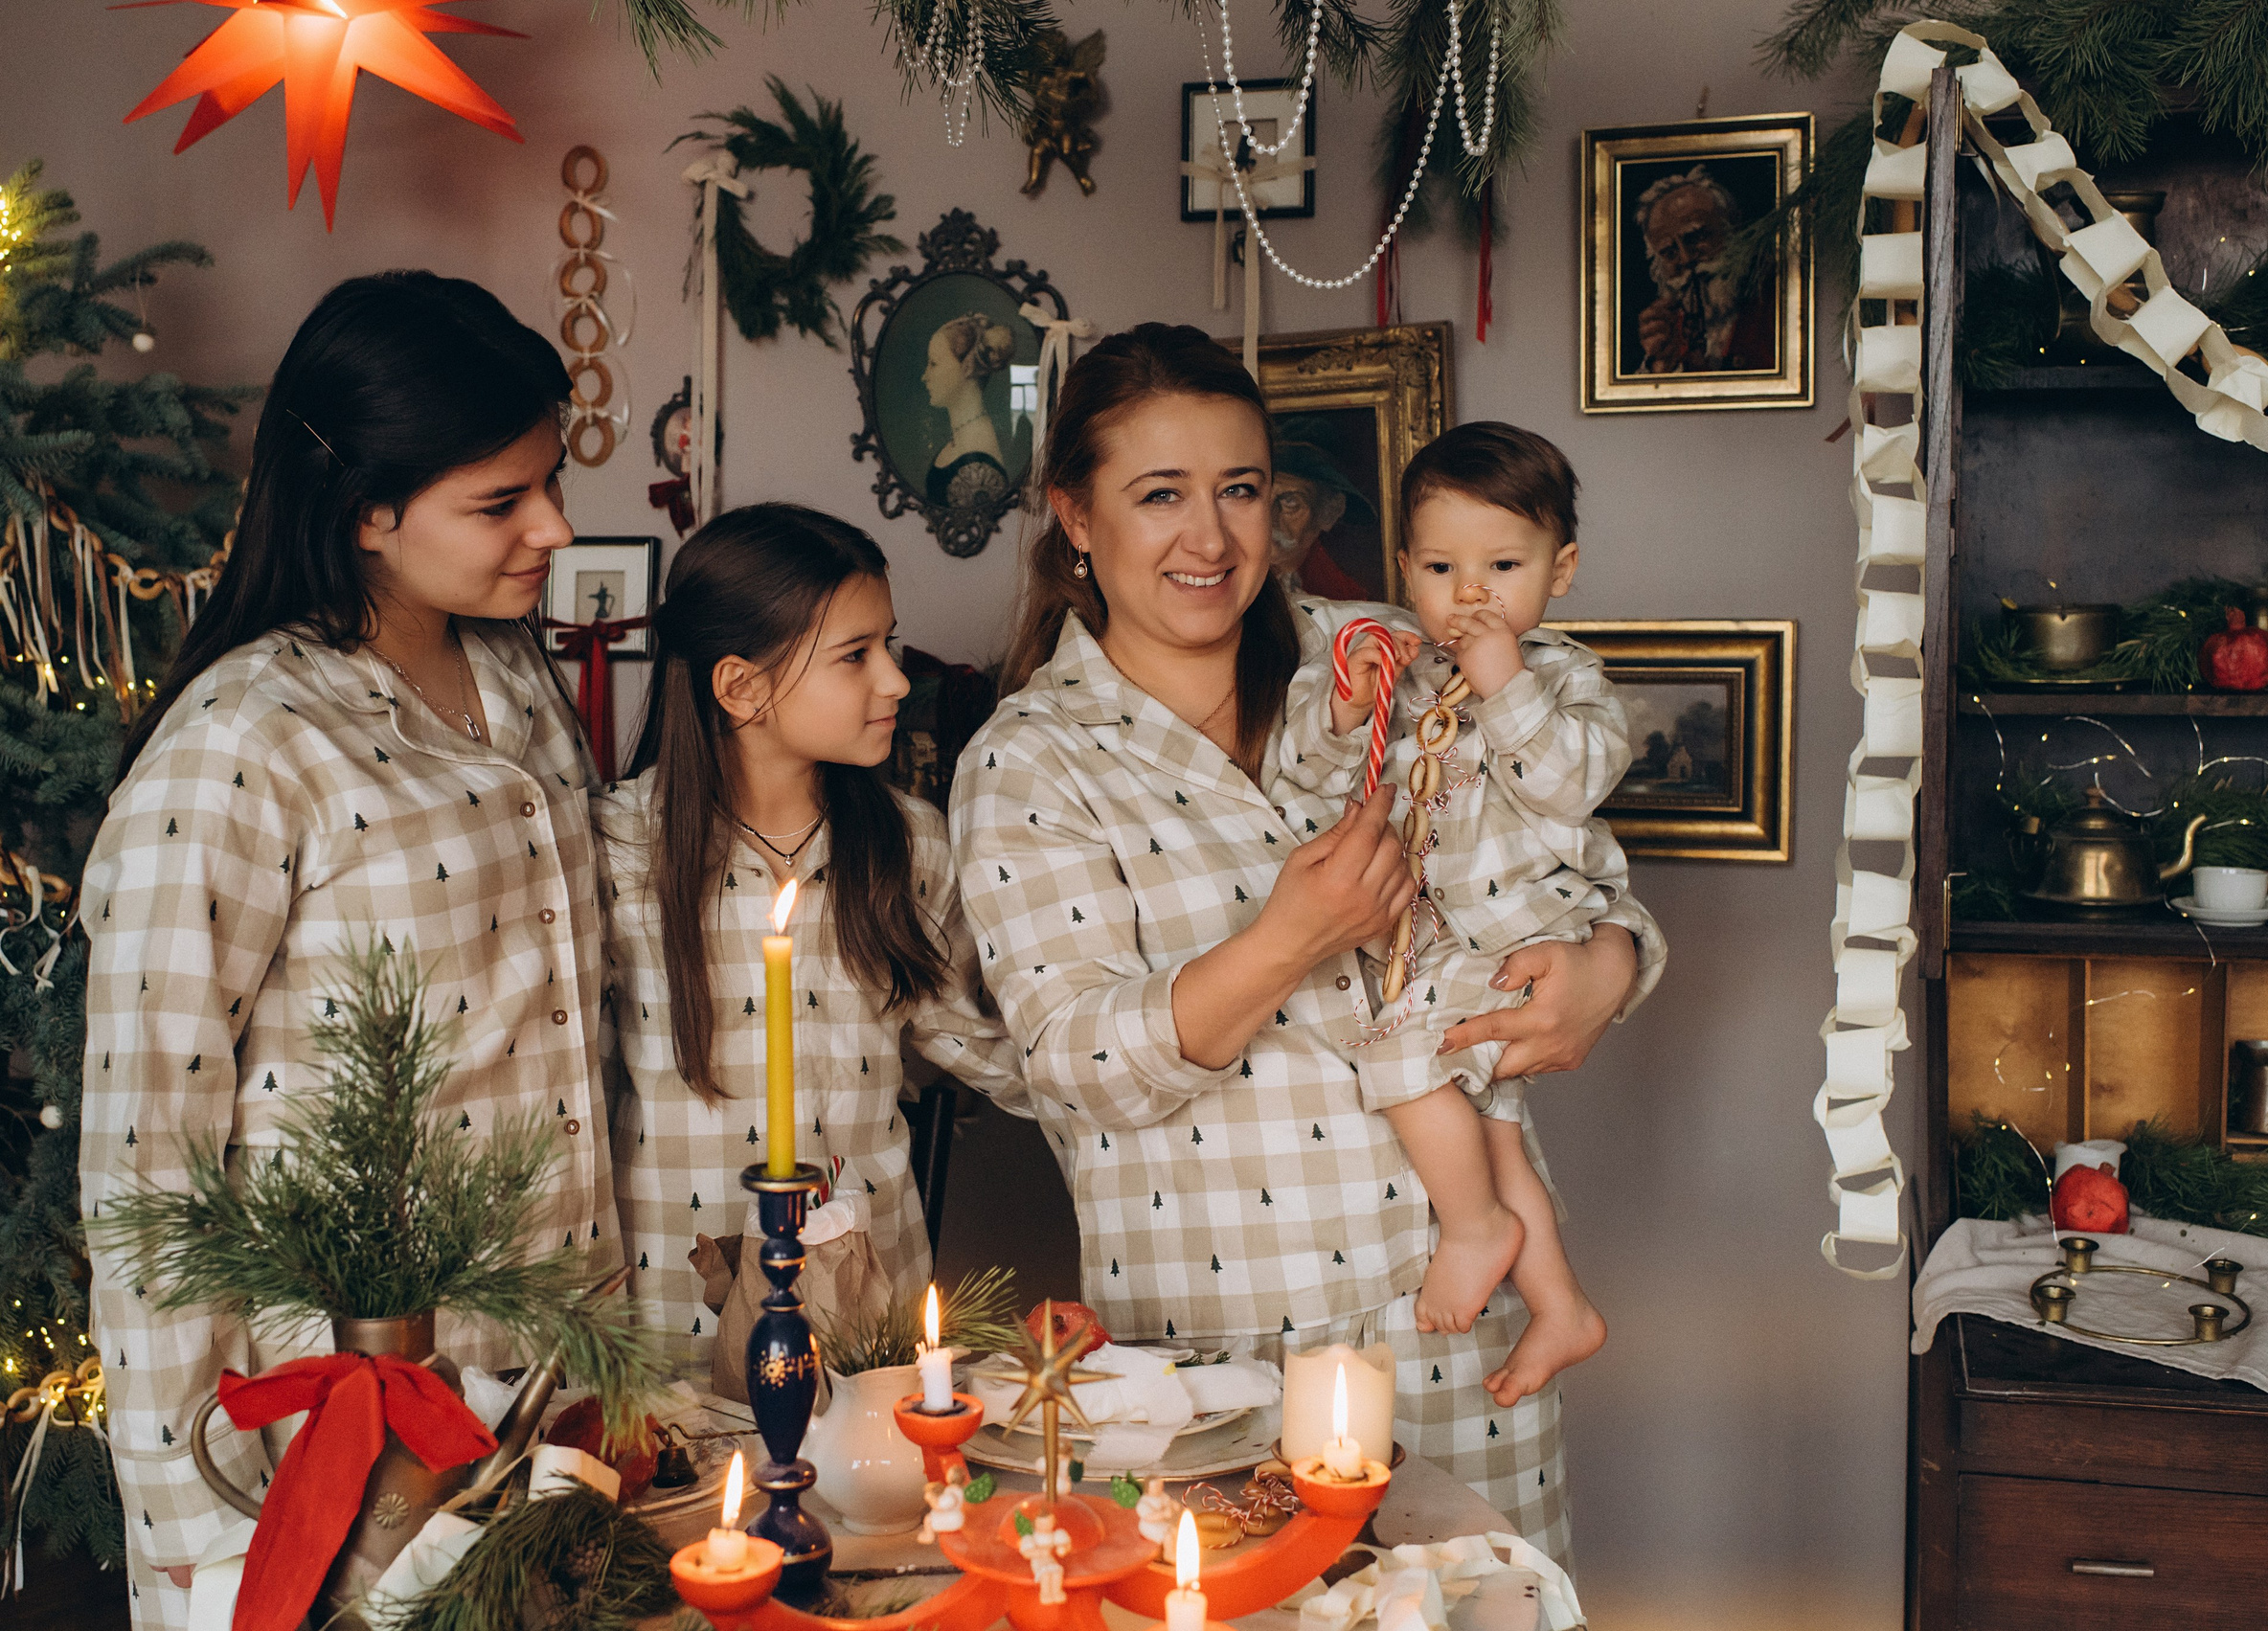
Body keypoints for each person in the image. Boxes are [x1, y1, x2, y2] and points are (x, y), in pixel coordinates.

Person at [950, 324, 1665, 1566]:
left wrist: (1611, 961)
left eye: (1240, 489)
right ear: (1074, 513)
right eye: (1158, 494)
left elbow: (1543, 844)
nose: (1212, 536)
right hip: (1218, 1362)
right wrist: (1288, 939)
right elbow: (1073, 1065)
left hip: (1453, 1317)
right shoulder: (1028, 760)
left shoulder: (1383, 650)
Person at [79, 272, 621, 1629]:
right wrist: (193, 1531)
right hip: (337, 1445)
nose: (553, 525)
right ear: (366, 509)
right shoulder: (242, 745)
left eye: (549, 481)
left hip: (548, 1392)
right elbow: (147, 1162)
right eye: (502, 502)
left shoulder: (518, 690)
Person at [598, 503, 1021, 1338]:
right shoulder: (614, 850)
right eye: (855, 656)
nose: (896, 680)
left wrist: (1142, 1061)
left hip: (874, 1298)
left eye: (887, 645)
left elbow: (981, 1040)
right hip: (674, 1317)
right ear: (741, 686)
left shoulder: (910, 844)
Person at [1299, 422, 1631, 1410]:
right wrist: (1346, 714)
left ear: (1559, 569)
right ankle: (1561, 1305)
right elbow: (1327, 789)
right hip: (1443, 936)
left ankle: (1478, 1227)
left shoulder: (1565, 678)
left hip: (1521, 929)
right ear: (1405, 566)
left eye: (1502, 565)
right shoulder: (1402, 675)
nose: (1471, 592)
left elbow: (1570, 784)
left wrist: (1502, 679)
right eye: (1442, 566)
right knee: (1490, 1127)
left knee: (1394, 1058)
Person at [1631, 165, 1775, 374]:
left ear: (1733, 229)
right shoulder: (1669, 331)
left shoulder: (1774, 302)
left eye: (1697, 237)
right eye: (1670, 253)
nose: (1687, 259)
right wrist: (1660, 366)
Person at [1269, 415, 1374, 600]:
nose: (1269, 518)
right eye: (1262, 500)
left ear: (1329, 513)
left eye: (1290, 502)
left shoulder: (1344, 598)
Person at [922, 312, 1017, 510]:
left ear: (966, 368)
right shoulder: (962, 435)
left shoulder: (979, 452)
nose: (925, 376)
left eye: (934, 364)